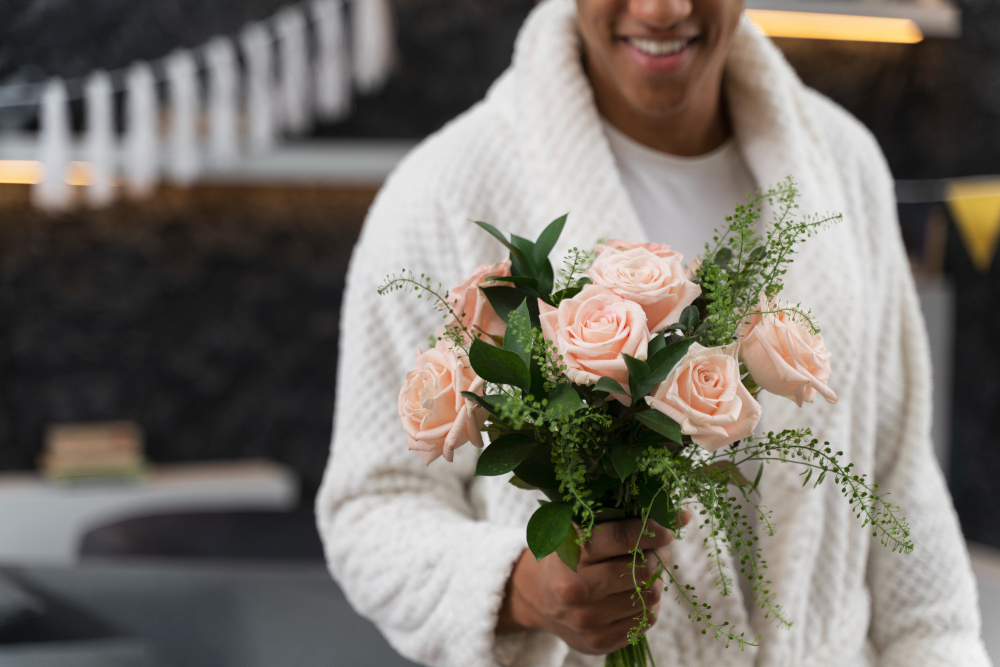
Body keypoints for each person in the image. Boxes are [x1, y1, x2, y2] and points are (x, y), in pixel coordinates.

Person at [316, 0, 990, 665]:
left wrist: (945, 648)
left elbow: (899, 474)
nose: (662, 9)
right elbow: (372, 507)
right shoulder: (443, 193)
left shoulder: (842, 165)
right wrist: (520, 587)